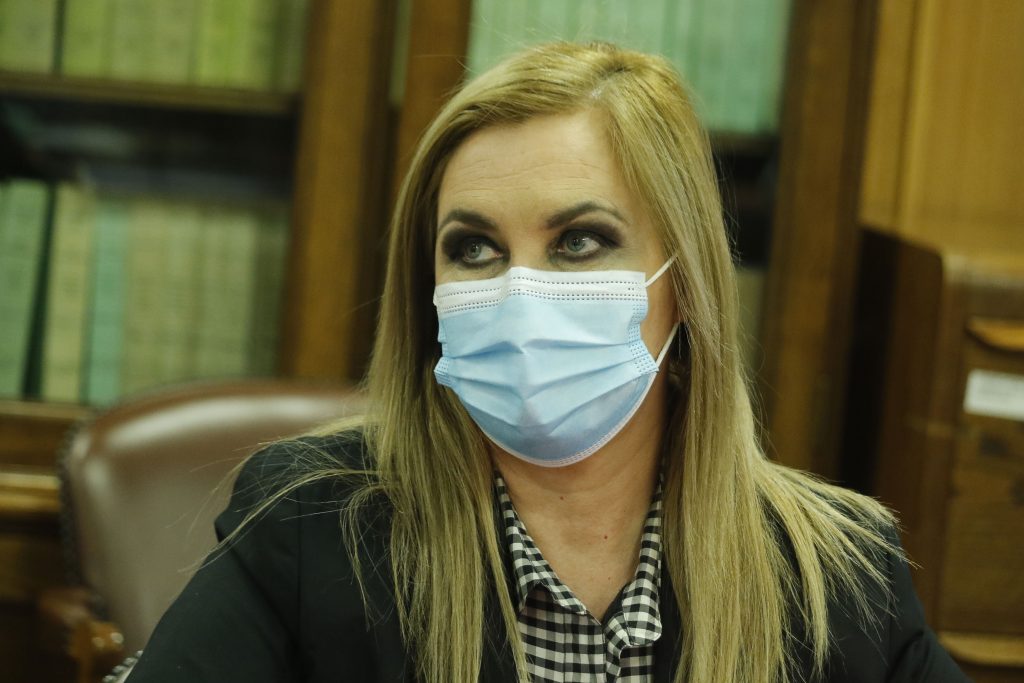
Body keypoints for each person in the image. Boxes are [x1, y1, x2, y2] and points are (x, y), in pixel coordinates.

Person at [127, 42, 967, 682]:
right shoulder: (316, 522)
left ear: (684, 283)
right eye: (475, 249)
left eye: (579, 241)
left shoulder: (838, 577)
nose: (519, 292)